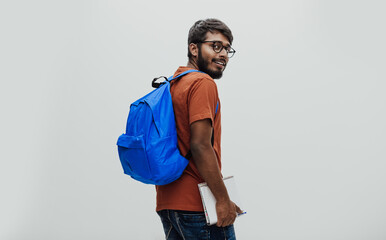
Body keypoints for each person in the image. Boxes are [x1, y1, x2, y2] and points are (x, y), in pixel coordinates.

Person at [156, 18, 242, 240]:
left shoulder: (174, 82)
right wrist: (222, 200)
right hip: (199, 206)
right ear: (193, 49)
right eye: (215, 46)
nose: (223, 53)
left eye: (227, 48)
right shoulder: (202, 83)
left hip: (168, 203)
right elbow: (200, 145)